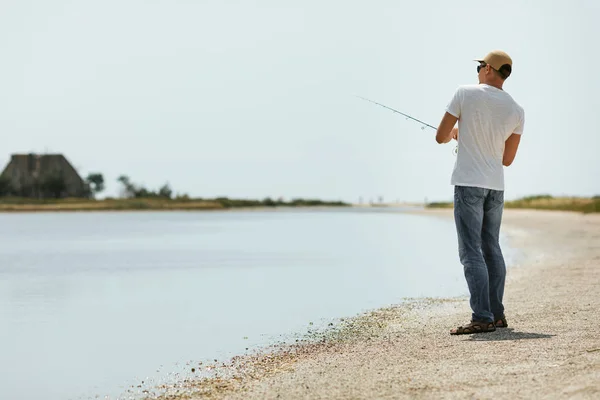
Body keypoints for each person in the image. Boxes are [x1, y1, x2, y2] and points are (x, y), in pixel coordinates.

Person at [434, 50, 525, 335]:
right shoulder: (516, 110)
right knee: (492, 248)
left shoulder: (465, 93)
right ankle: (496, 315)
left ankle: (482, 317)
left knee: (471, 251)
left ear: (487, 69)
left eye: (479, 67)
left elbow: (440, 136)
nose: (477, 71)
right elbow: (506, 159)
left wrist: (457, 133)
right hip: (495, 187)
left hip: (469, 184)